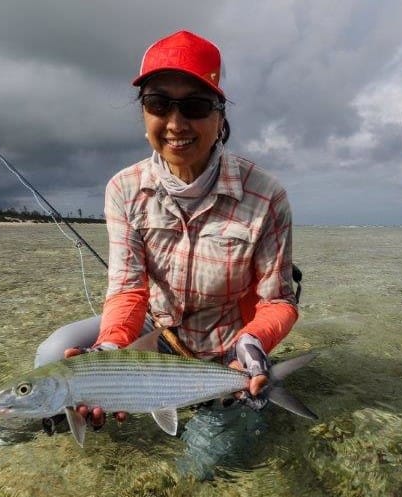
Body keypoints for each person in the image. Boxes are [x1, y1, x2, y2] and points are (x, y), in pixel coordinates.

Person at [35, 30, 299, 430]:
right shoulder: (123, 189)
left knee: (209, 462)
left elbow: (278, 301)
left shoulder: (266, 197)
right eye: (158, 103)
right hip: (154, 327)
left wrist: (254, 341)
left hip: (225, 342)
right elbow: (128, 289)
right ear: (144, 113)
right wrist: (111, 350)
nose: (176, 123)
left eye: (195, 105)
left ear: (219, 116)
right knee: (54, 355)